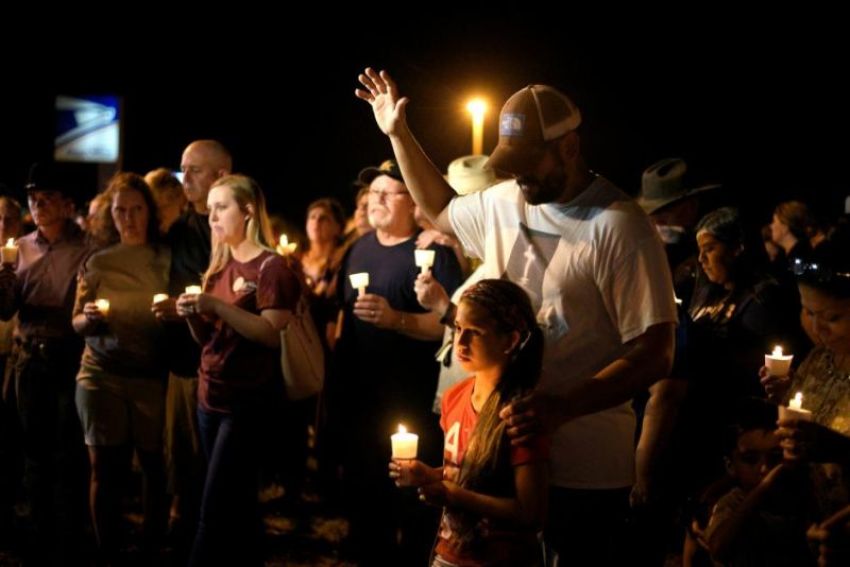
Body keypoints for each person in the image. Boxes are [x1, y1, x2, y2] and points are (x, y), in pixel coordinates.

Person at [357, 68, 676, 562]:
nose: (519, 176)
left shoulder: (619, 225)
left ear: (570, 147)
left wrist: (561, 407)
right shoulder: (506, 200)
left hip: (584, 470)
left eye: (531, 162)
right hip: (502, 462)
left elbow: (656, 353)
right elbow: (441, 209)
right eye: (511, 164)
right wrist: (398, 135)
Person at [176, 174, 301, 566]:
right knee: (240, 503)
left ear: (247, 211)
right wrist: (192, 316)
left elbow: (269, 333)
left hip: (246, 402)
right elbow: (208, 339)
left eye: (221, 208)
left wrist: (217, 308)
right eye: (209, 209)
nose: (212, 217)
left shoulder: (272, 267)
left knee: (211, 510)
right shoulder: (218, 267)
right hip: (208, 395)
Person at [391, 279, 547, 566]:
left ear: (510, 340)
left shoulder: (520, 414)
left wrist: (453, 495)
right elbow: (460, 473)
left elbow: (530, 512)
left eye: (474, 332)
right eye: (459, 328)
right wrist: (428, 475)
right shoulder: (455, 397)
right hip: (450, 553)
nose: (460, 342)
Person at [72, 172, 170, 561]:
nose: (128, 218)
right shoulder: (97, 261)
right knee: (104, 469)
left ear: (149, 211)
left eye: (136, 209)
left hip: (149, 374)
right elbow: (75, 322)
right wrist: (90, 318)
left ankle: (151, 546)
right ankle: (107, 549)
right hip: (100, 373)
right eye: (119, 210)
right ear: (109, 215)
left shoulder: (165, 258)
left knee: (154, 465)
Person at [0, 162, 93, 564]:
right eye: (32, 197)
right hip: (29, 360)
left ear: (66, 202)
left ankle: (70, 536)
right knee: (34, 452)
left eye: (46, 196)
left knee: (69, 453)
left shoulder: (87, 247)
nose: (37, 204)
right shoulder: (19, 249)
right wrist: (3, 280)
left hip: (68, 357)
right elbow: (6, 311)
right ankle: (41, 534)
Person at [151, 139, 232, 552]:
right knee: (181, 463)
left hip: (226, 369)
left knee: (221, 475)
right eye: (183, 169)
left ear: (221, 175)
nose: (186, 179)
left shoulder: (235, 233)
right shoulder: (178, 228)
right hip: (184, 363)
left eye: (195, 170)